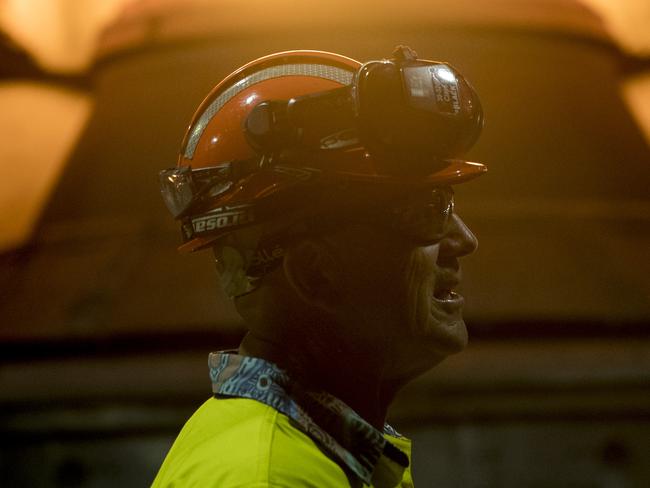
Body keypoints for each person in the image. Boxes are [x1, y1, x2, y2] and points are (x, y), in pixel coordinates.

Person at [153, 46, 486, 488]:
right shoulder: (267, 477)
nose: (464, 241)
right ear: (316, 273)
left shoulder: (321, 454)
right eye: (425, 212)